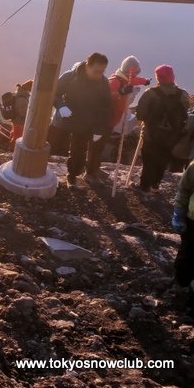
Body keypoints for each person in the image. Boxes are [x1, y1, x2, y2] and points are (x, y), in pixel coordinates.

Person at [51, 52, 112, 189]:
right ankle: (47, 171)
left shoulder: (103, 82)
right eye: (96, 71)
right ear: (87, 66)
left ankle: (79, 175)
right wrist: (61, 106)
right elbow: (55, 92)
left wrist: (100, 129)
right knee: (54, 144)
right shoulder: (71, 76)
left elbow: (106, 106)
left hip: (88, 121)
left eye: (102, 71)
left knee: (81, 150)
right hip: (67, 119)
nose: (99, 74)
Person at [87, 56, 151, 184]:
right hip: (104, 119)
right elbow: (105, 99)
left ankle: (95, 168)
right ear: (130, 71)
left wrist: (145, 81)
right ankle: (90, 173)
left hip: (111, 119)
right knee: (96, 146)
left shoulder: (125, 79)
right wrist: (121, 92)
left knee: (101, 145)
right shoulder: (115, 82)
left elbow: (134, 80)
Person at [134, 65, 190, 193]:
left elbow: (140, 114)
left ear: (157, 78)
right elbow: (186, 112)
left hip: (151, 134)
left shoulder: (151, 94)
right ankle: (155, 184)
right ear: (173, 77)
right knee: (163, 159)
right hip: (172, 135)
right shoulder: (182, 95)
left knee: (149, 159)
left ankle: (144, 185)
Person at [172, 162, 194, 317]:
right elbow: (184, 189)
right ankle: (181, 286)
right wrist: (179, 211)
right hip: (193, 220)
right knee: (187, 256)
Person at [9, 79, 33, 151]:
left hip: (16, 120)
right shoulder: (22, 99)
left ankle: (11, 147)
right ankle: (13, 150)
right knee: (17, 136)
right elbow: (24, 113)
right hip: (20, 121)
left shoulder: (19, 95)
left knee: (14, 134)